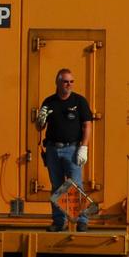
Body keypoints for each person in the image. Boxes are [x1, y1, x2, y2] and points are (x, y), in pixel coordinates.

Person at [35, 68, 94, 231]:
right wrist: (40, 120)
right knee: (57, 186)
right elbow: (40, 127)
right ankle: (59, 222)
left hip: (72, 149)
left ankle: (82, 220)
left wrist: (84, 147)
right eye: (65, 81)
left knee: (76, 185)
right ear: (58, 82)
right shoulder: (49, 102)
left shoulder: (79, 101)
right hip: (53, 149)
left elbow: (87, 125)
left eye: (71, 82)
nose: (69, 85)